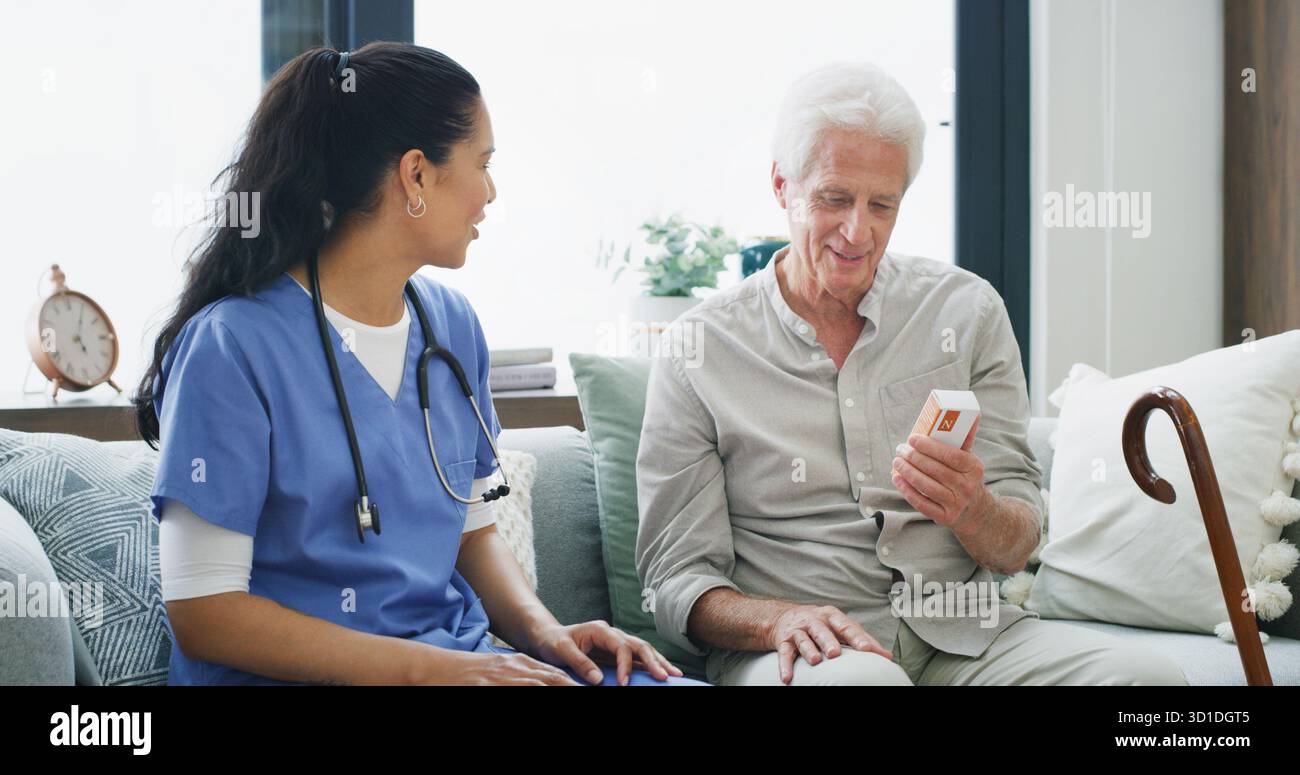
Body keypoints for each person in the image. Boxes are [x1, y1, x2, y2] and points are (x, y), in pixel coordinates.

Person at [136, 42, 700, 686]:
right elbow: (205, 613)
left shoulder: (450, 326)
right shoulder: (232, 346)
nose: (490, 192)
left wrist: (548, 635)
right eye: (482, 164)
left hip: (455, 661)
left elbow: (471, 529)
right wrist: (429, 671)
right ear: (417, 175)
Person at [633, 62, 1188, 687]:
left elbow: (1016, 541)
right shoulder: (699, 348)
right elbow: (675, 580)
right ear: (782, 185)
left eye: (882, 205)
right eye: (834, 198)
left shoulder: (966, 310)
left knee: (1149, 684)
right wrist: (776, 620)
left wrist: (974, 511)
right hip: (804, 655)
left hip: (967, 637)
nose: (857, 232)